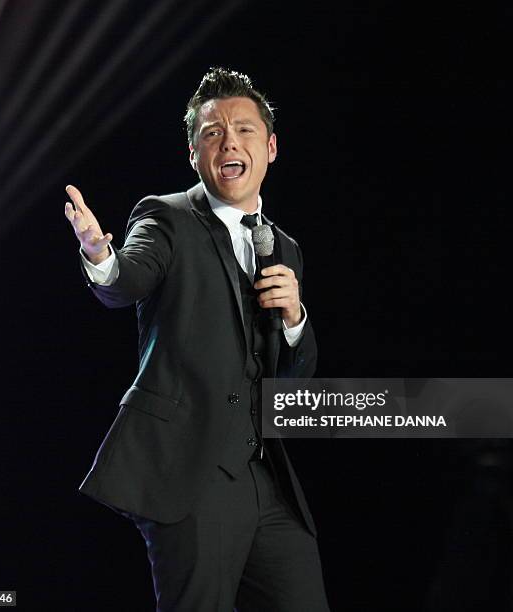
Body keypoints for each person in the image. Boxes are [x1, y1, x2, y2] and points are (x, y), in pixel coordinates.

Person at [65, 67, 330, 611]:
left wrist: (296, 317)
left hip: (266, 478)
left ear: (271, 147)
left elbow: (291, 382)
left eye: (244, 130)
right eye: (213, 133)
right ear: (195, 154)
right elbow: (128, 280)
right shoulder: (166, 216)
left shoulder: (284, 248)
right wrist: (99, 255)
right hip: (189, 474)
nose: (229, 141)